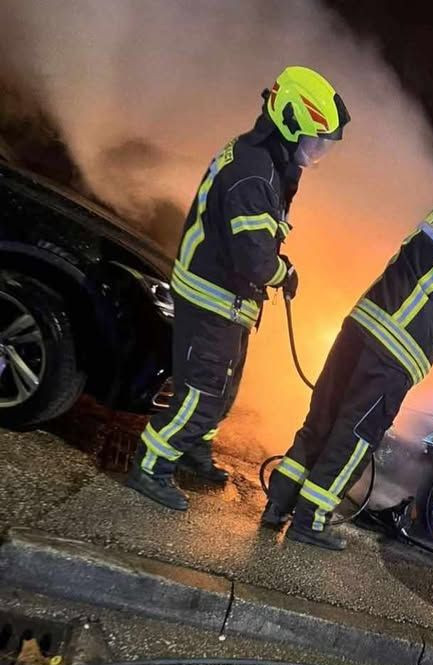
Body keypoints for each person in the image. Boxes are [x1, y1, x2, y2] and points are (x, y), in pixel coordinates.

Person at [128, 66, 350, 511]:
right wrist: (282, 272)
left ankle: (193, 451)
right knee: (203, 392)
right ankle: (151, 465)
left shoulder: (265, 159)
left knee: (222, 391)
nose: (318, 152)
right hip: (214, 298)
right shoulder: (255, 174)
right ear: (289, 124)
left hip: (225, 298)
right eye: (315, 140)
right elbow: (254, 259)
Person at [264, 188, 433, 550]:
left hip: (357, 329)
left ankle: (277, 503)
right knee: (354, 436)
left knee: (321, 419)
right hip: (393, 354)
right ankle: (310, 519)